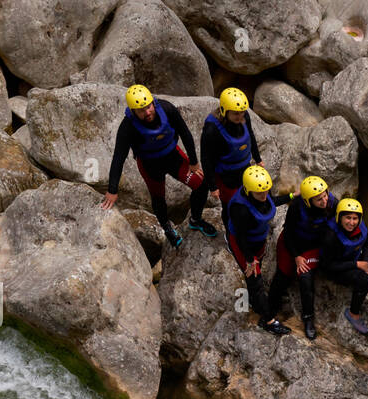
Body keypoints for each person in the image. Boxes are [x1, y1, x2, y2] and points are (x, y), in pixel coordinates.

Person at [101, 85, 217, 245]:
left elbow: (184, 132)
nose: (147, 112)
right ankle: (166, 226)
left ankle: (196, 220)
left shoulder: (167, 109)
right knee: (159, 198)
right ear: (133, 111)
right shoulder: (127, 127)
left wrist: (193, 162)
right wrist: (112, 190)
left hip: (173, 157)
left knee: (201, 185)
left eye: (148, 106)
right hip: (150, 166)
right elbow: (118, 158)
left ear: (153, 102)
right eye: (141, 110)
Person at [265, 175, 335, 340]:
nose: (324, 200)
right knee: (283, 275)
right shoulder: (296, 207)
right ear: (308, 201)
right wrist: (296, 256)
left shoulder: (333, 203)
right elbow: (288, 233)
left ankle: (308, 318)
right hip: (292, 244)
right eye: (319, 199)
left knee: (305, 277)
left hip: (313, 247)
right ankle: (269, 310)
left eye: (325, 195)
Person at [225, 165, 291, 335]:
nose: (264, 195)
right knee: (255, 280)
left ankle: (254, 300)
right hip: (243, 245)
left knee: (256, 273)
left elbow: (271, 201)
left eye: (266, 191)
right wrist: (248, 259)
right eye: (259, 193)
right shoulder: (240, 209)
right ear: (248, 191)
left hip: (258, 240)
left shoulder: (261, 193)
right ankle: (268, 321)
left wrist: (291, 196)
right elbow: (240, 236)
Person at [319, 197, 368, 335]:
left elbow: (367, 246)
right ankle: (353, 314)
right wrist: (357, 265)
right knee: (364, 281)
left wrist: (365, 263)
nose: (352, 222)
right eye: (347, 218)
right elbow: (327, 265)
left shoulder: (360, 227)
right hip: (336, 268)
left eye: (355, 218)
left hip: (353, 260)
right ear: (339, 217)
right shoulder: (331, 236)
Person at [202, 87, 262, 216]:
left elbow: (250, 136)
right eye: (235, 113)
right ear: (224, 110)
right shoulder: (212, 130)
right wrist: (213, 186)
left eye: (241, 112)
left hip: (244, 167)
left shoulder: (244, 116)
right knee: (229, 206)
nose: (240, 116)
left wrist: (258, 159)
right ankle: (230, 233)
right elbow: (206, 159)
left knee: (248, 199)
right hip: (225, 174)